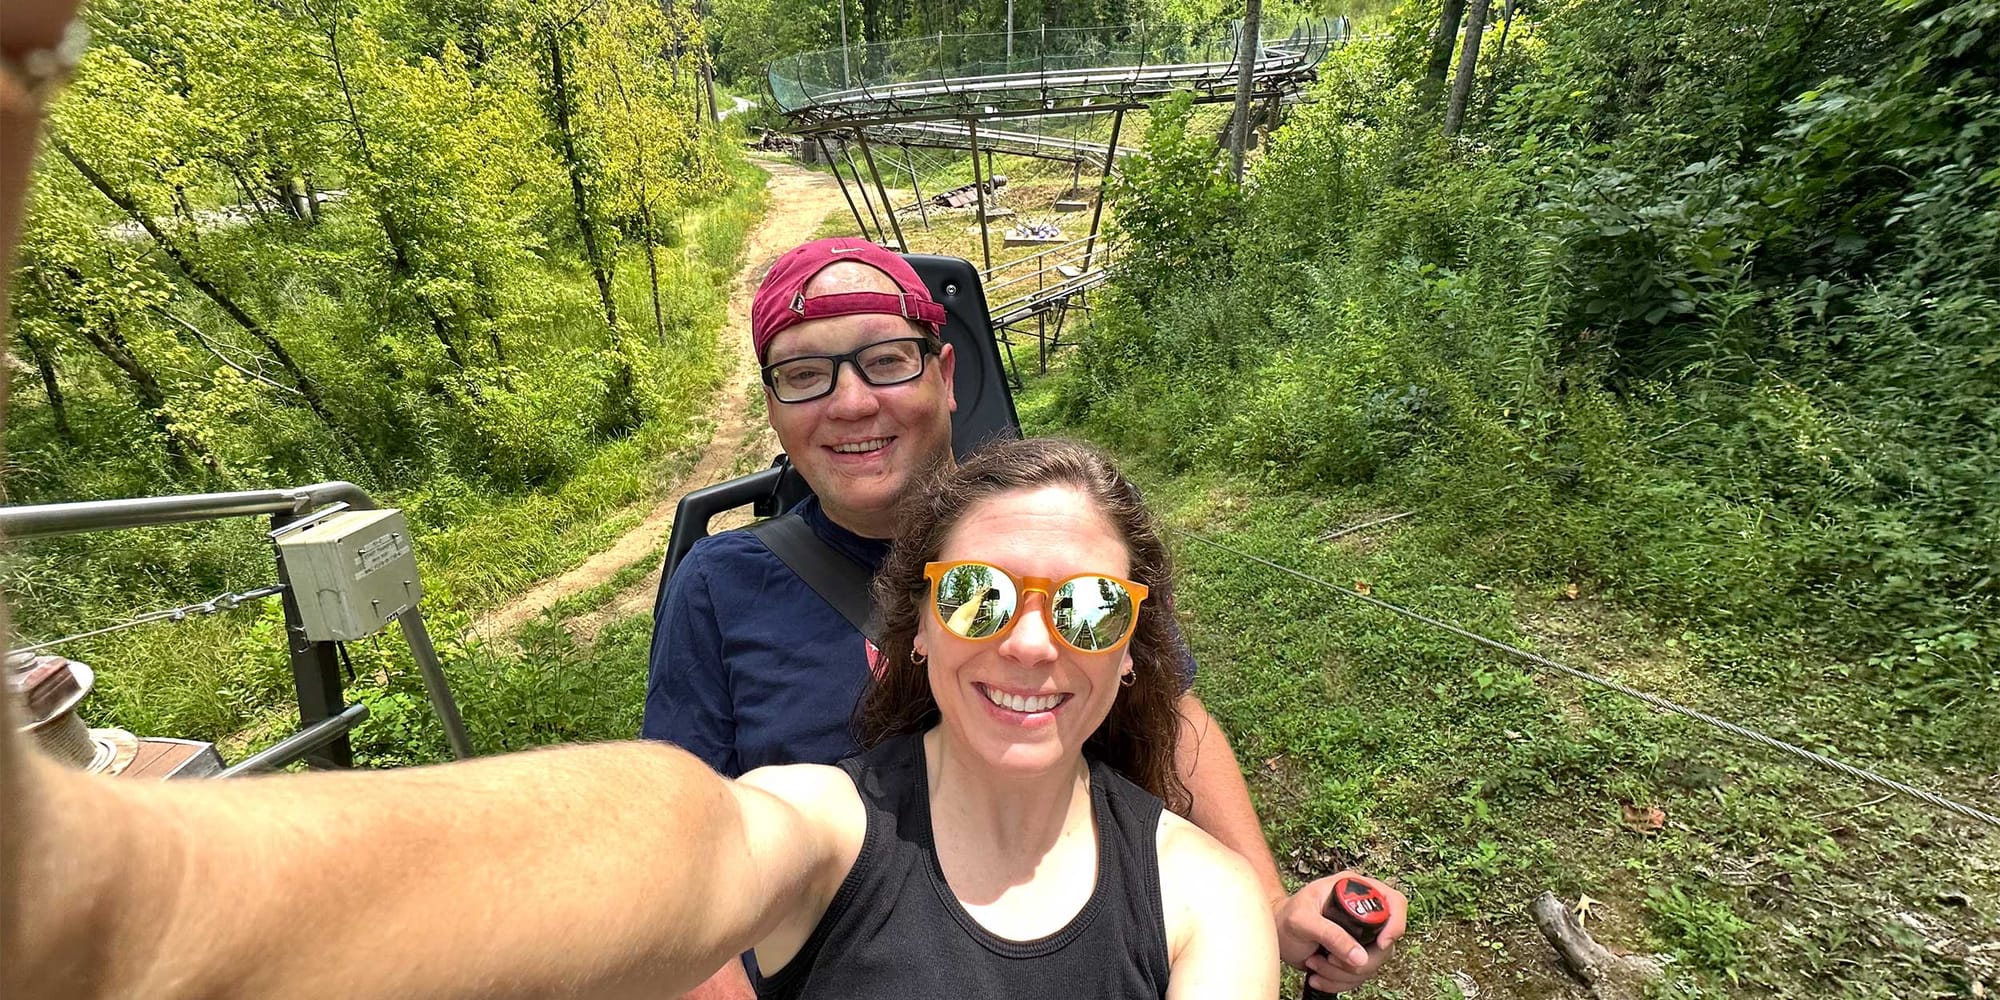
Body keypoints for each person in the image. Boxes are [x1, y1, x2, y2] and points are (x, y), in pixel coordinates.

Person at [646, 238, 1405, 995]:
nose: (851, 403)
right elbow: (685, 843)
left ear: (946, 375)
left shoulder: (1065, 529)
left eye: (886, 361)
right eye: (804, 375)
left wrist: (1264, 905)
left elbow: (1170, 711)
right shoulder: (722, 587)